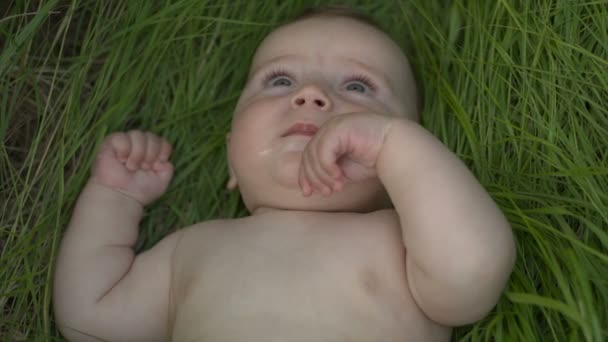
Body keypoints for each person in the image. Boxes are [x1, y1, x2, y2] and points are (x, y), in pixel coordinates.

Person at [54, 6, 516, 342]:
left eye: (358, 86)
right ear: (233, 156)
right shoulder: (190, 249)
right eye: (280, 80)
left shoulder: (404, 246)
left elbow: (474, 275)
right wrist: (115, 199)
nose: (312, 94)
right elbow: (90, 317)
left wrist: (394, 147)